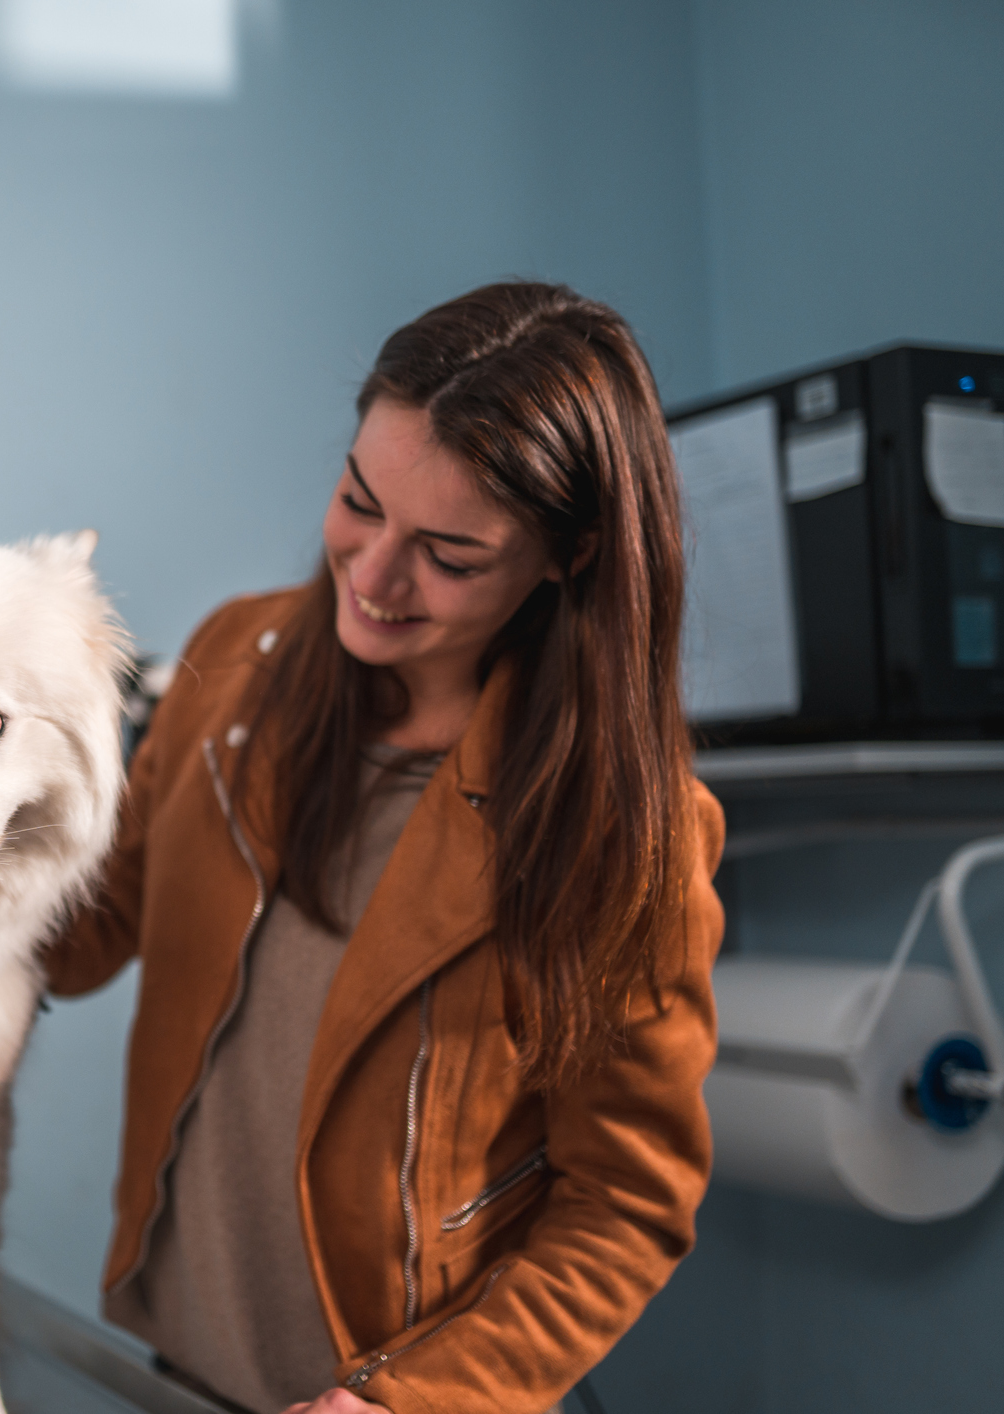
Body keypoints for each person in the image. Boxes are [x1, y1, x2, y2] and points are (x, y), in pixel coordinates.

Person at [44, 283, 724, 1414]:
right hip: (178, 1361)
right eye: (359, 500)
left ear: (570, 556)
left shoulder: (624, 836)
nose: (371, 575)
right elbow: (90, 921)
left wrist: (409, 1400)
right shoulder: (234, 661)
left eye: (450, 554)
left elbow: (623, 1205)